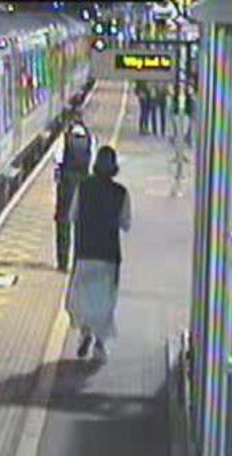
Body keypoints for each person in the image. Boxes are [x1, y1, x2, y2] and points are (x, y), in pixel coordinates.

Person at [66, 146, 132, 363]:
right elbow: (126, 224)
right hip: (108, 256)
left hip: (85, 253)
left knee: (84, 299)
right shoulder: (121, 193)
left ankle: (85, 333)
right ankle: (100, 345)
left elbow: (72, 215)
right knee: (105, 301)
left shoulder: (82, 188)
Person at [53, 113, 96, 272]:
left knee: (63, 222)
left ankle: (62, 261)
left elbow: (57, 159)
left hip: (67, 184)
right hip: (84, 185)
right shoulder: (90, 139)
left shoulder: (64, 138)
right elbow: (92, 164)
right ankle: (79, 261)